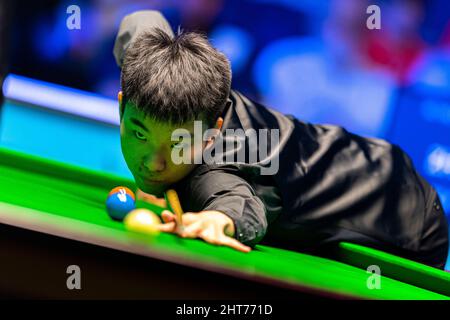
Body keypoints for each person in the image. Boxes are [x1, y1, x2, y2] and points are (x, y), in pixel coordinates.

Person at [114, 11, 449, 269]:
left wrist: (218, 220)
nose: (154, 162)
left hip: (409, 217)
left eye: (178, 144)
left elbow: (240, 206)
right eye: (140, 134)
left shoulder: (220, 167)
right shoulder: (154, 71)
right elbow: (139, 24)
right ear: (121, 104)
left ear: (212, 132)